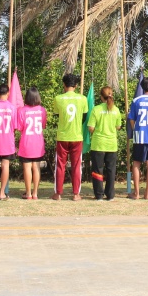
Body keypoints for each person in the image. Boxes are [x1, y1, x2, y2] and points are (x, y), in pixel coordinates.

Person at [52, 73, 89, 201]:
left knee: (60, 165)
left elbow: (58, 115)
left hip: (62, 136)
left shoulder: (58, 98)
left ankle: (58, 193)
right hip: (77, 136)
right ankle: (76, 194)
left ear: (64, 84)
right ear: (76, 85)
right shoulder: (83, 99)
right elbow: (84, 117)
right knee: (76, 166)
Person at [88, 86, 122, 201]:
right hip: (111, 144)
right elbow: (118, 126)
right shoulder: (116, 110)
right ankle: (110, 195)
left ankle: (99, 195)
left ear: (101, 96)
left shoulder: (96, 109)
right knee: (111, 170)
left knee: (98, 170)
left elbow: (91, 127)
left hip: (98, 144)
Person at [17, 87, 47, 200]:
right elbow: (43, 125)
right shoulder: (42, 110)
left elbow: (20, 128)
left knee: (27, 168)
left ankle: (28, 193)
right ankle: (35, 193)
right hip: (38, 143)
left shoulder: (22, 111)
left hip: (26, 143)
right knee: (36, 167)